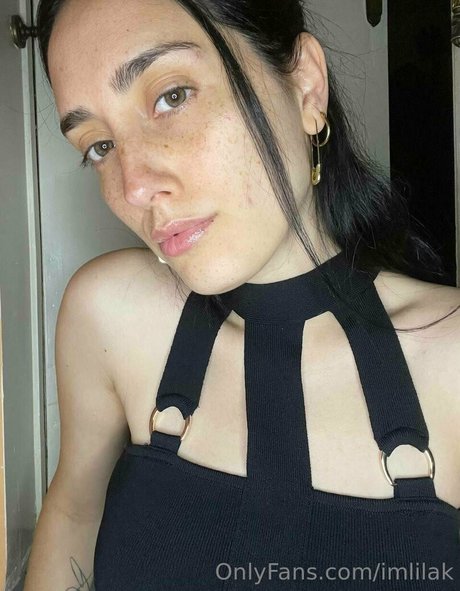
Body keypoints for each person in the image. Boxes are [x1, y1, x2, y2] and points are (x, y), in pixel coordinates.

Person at [25, 0, 460, 589]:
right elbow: (74, 514)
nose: (134, 187)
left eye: (172, 96)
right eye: (99, 145)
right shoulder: (108, 317)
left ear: (305, 86)